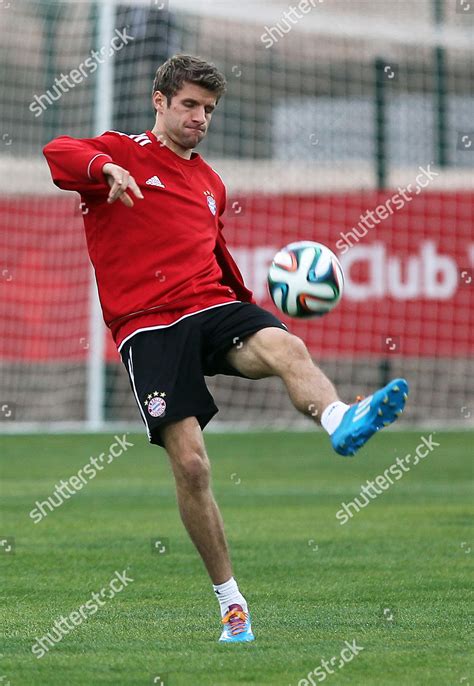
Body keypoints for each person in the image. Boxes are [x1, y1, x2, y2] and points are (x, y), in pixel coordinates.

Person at [43, 54, 409, 643]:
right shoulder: (121, 152)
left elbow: (214, 256)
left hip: (210, 307)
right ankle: (231, 603)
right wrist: (103, 168)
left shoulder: (211, 183)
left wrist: (256, 308)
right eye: (189, 104)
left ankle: (341, 419)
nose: (200, 117)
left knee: (283, 346)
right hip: (148, 327)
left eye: (208, 109)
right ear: (159, 101)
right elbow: (57, 151)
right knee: (191, 466)